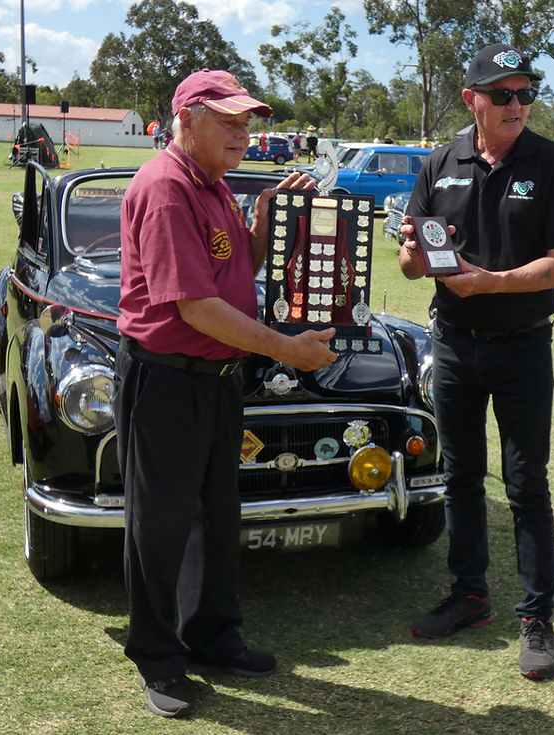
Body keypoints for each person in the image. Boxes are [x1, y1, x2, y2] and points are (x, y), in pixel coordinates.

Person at [113, 69, 337, 718]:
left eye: (248, 123)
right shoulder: (165, 187)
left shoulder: (213, 186)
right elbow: (193, 305)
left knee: (217, 516)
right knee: (159, 527)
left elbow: (241, 269)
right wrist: (286, 347)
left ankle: (212, 637)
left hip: (215, 380)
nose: (245, 134)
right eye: (230, 121)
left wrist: (264, 221)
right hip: (166, 377)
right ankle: (159, 658)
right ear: (187, 120)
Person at [398, 42, 554, 680]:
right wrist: (416, 254)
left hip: (523, 344)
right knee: (460, 477)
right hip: (451, 342)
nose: (516, 105)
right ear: (471, 99)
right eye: (502, 94)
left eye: (525, 94)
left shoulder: (553, 162)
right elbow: (408, 260)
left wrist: (492, 281)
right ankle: (469, 596)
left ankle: (536, 616)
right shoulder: (439, 162)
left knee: (527, 484)